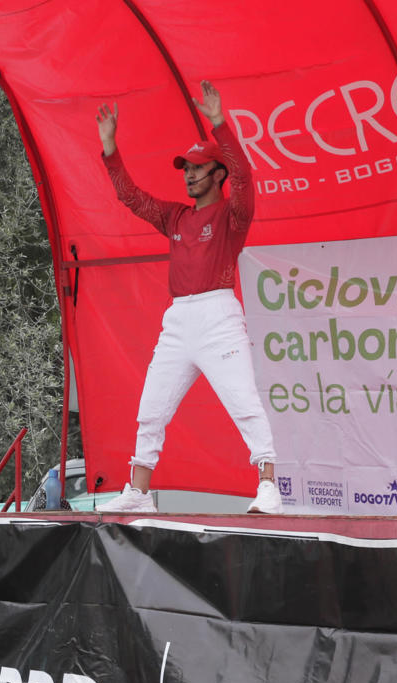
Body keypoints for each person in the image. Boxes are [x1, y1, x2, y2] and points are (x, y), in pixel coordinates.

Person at [94, 81, 282, 516]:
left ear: (218, 175)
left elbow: (245, 175)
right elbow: (131, 197)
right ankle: (139, 492)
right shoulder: (175, 215)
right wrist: (110, 149)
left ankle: (269, 486)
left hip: (219, 316)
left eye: (197, 168)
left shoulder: (234, 215)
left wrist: (219, 123)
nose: (189, 174)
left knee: (244, 401)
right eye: (186, 169)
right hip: (178, 320)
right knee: (151, 407)